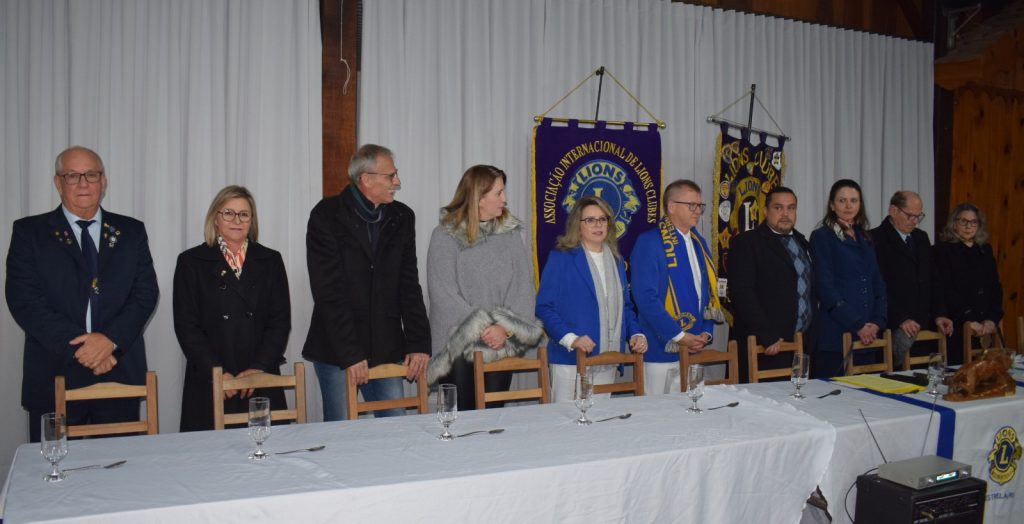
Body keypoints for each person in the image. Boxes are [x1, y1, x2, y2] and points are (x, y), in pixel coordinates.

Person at [5, 146, 159, 442]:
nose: (83, 183)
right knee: (54, 466)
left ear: (103, 181)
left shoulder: (131, 231)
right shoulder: (29, 232)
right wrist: (85, 349)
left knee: (121, 464)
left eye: (91, 175)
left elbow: (145, 294)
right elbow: (24, 300)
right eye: (72, 176)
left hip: (118, 372)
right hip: (54, 372)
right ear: (58, 182)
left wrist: (109, 341)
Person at [302, 144, 430, 421]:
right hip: (337, 350)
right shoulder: (326, 215)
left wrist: (419, 342)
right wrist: (351, 353)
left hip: (386, 346)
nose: (397, 182)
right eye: (391, 176)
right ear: (366, 179)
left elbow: (409, 284)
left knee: (395, 428)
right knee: (341, 430)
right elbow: (328, 292)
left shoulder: (402, 217)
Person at [425, 165, 544, 411]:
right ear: (479, 198)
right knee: (464, 417)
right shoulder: (445, 236)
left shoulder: (510, 235)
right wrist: (483, 328)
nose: (505, 199)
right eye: (498, 193)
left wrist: (504, 329)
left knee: (492, 416)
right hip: (458, 346)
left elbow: (522, 288)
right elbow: (443, 294)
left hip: (500, 342)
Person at [173, 186, 291, 431]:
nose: (237, 221)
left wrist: (258, 368)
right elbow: (187, 326)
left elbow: (280, 322)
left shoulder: (271, 260)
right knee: (210, 452)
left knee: (267, 449)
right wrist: (217, 373)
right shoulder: (191, 262)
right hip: (210, 378)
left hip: (258, 377)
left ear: (252, 220)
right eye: (228, 213)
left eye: (244, 214)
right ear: (215, 218)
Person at [535, 196, 648, 401]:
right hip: (570, 358)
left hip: (608, 358)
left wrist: (636, 333)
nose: (598, 225)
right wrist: (572, 339)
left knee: (601, 418)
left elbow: (625, 307)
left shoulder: (616, 260)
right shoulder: (562, 257)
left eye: (602, 219)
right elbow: (543, 307)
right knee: (566, 419)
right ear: (577, 225)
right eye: (590, 220)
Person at [631, 179, 722, 395]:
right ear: (671, 206)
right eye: (691, 205)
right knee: (658, 412)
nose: (697, 211)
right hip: (660, 349)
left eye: (699, 205)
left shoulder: (699, 243)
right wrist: (679, 336)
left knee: (693, 408)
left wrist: (706, 333)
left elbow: (708, 293)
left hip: (695, 346)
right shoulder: (649, 242)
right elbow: (646, 298)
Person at [728, 186, 814, 382]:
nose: (785, 214)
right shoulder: (747, 242)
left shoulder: (803, 242)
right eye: (778, 207)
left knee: (800, 399)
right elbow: (742, 293)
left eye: (791, 208)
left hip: (801, 344)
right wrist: (767, 335)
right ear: (765, 211)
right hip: (766, 345)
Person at [809, 179, 887, 378]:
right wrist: (857, 325)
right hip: (837, 335)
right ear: (832, 205)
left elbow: (877, 283)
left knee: (867, 393)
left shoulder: (865, 236)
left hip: (868, 336)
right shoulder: (822, 236)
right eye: (842, 200)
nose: (848, 206)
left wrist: (877, 322)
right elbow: (825, 288)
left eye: (854, 200)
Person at [870, 191, 953, 368]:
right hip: (893, 326)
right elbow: (877, 287)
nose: (914, 221)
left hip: (923, 324)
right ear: (893, 210)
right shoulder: (875, 239)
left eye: (918, 216)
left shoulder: (921, 238)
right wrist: (899, 318)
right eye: (910, 216)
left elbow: (933, 279)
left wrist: (940, 313)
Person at [932, 203, 1003, 366]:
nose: (968, 226)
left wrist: (992, 318)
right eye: (963, 221)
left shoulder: (985, 250)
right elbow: (946, 289)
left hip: (985, 324)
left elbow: (995, 286)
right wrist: (968, 319)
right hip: (958, 323)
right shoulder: (942, 250)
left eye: (973, 222)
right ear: (954, 223)